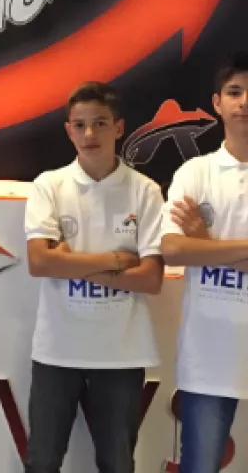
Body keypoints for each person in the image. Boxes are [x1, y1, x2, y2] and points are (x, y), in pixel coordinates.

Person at [23, 81, 165, 473]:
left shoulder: (145, 191)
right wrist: (117, 260)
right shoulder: (49, 186)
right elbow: (40, 263)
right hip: (58, 349)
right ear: (68, 130)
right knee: (42, 461)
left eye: (100, 123)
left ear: (118, 128)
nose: (90, 134)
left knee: (117, 463)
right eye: (80, 125)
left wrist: (71, 261)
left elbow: (151, 279)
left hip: (121, 352)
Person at [161, 52, 248, 473]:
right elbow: (172, 250)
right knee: (200, 466)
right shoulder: (195, 172)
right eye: (235, 92)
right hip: (210, 354)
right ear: (217, 102)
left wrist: (206, 244)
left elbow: (190, 248)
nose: (244, 102)